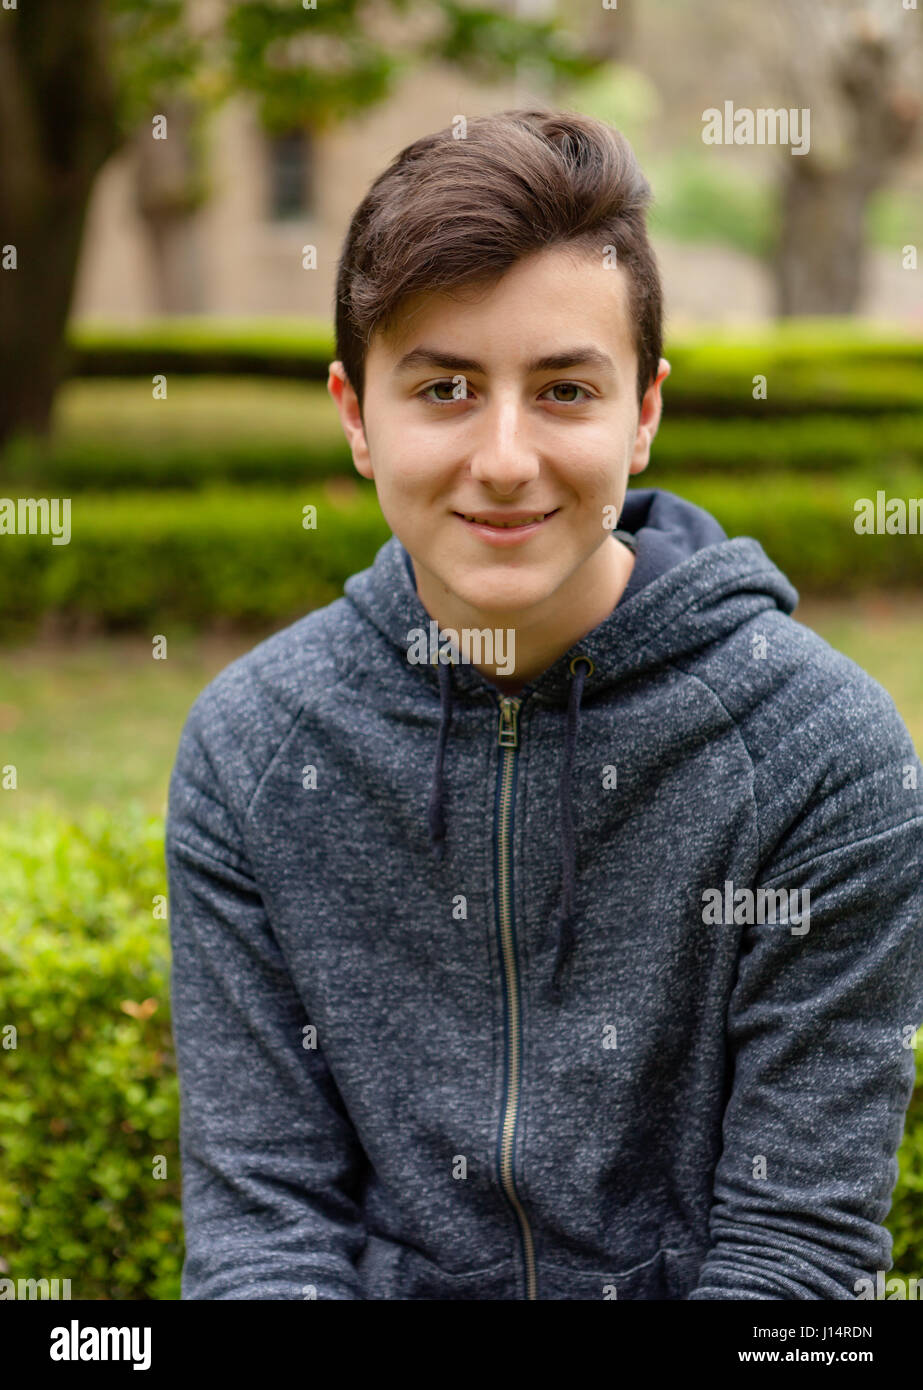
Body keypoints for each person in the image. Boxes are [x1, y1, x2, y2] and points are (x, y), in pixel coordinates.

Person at [166, 108, 923, 1300]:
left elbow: (796, 1262)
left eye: (565, 389)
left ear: (645, 412)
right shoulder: (252, 748)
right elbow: (265, 1233)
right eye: (445, 388)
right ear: (356, 416)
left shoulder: (820, 754)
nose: (506, 459)